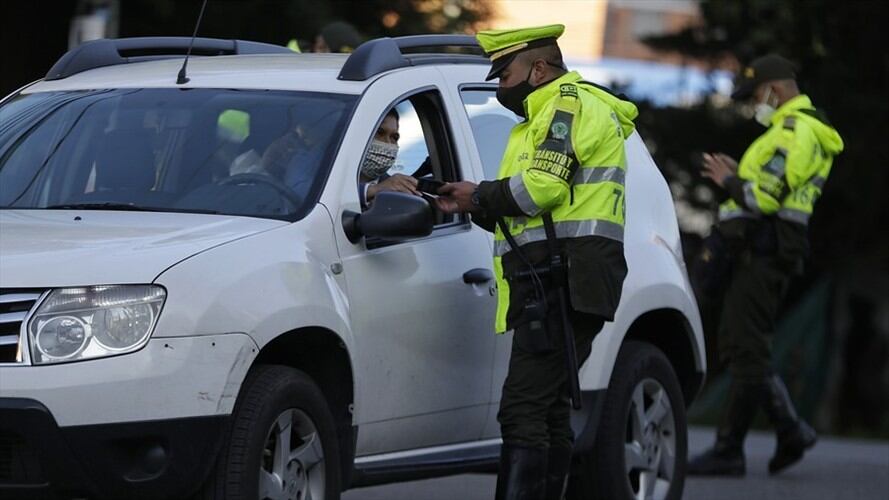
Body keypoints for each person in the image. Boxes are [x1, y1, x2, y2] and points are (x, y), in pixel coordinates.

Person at [434, 24, 638, 499]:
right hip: (560, 276)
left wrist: (480, 194)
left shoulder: (564, 106)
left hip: (565, 278)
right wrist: (470, 203)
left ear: (539, 68)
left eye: (504, 75)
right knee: (546, 410)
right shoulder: (536, 120)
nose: (500, 85)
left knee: (523, 408)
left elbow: (540, 189)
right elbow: (532, 216)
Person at [688, 54, 844, 476]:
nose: (754, 104)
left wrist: (729, 182)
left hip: (766, 249)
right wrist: (742, 178)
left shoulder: (793, 131)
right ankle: (790, 429)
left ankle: (731, 450)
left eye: (756, 95)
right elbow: (771, 188)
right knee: (743, 342)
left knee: (745, 345)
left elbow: (766, 198)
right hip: (769, 249)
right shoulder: (793, 130)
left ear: (775, 89)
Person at [358, 108, 421, 207]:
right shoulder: (329, 177)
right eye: (379, 132)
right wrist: (371, 191)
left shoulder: (398, 194)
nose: (388, 143)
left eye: (394, 137)